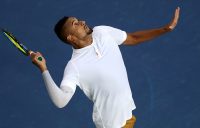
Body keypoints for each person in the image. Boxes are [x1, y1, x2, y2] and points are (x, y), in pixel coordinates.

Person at [30, 7, 180, 128]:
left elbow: (133, 38)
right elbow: (61, 101)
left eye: (78, 20)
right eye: (75, 24)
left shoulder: (103, 32)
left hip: (127, 117)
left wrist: (165, 29)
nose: (81, 22)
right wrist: (44, 69)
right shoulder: (74, 66)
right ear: (70, 37)